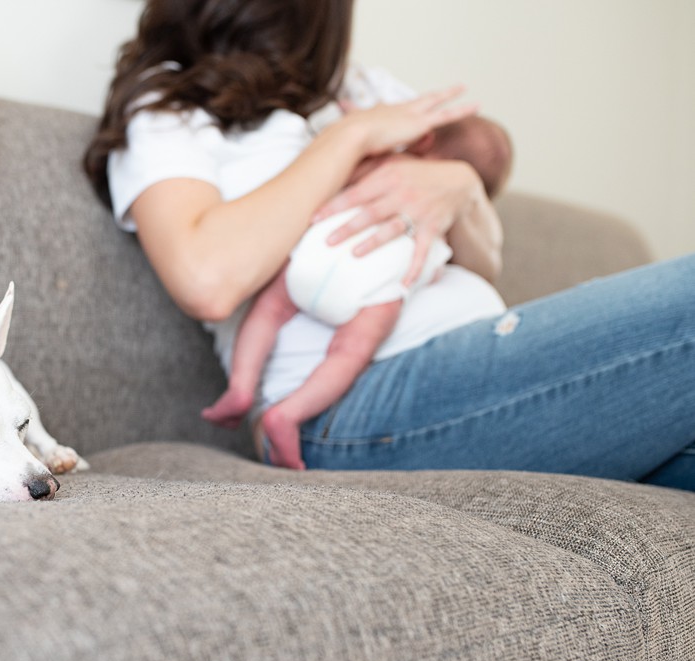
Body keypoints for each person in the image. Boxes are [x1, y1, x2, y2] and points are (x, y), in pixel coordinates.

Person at [83, 0, 695, 489]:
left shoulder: (363, 85)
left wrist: (456, 187)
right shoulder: (168, 105)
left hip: (472, 343)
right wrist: (349, 138)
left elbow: (483, 259)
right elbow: (207, 280)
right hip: (357, 398)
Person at [201, 113, 512, 470]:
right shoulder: (436, 215)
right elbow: (434, 265)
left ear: (425, 140)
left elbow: (338, 179)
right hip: (376, 288)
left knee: (268, 310)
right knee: (348, 353)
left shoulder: (379, 162)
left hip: (320, 251)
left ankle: (240, 386)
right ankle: (288, 413)